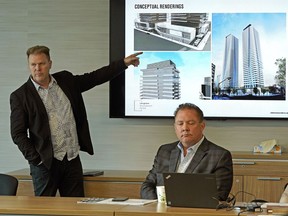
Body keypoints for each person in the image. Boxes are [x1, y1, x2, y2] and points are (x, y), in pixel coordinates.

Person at [10, 45, 142, 197]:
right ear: (29, 66)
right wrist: (36, 159)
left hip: (71, 160)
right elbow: (17, 134)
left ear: (50, 64)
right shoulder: (20, 96)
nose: (37, 68)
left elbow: (94, 78)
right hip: (45, 164)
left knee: (76, 208)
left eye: (42, 63)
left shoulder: (65, 80)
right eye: (33, 64)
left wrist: (123, 63)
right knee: (44, 210)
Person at [140, 103, 233, 201]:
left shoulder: (219, 156)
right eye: (180, 123)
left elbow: (218, 196)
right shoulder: (164, 151)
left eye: (191, 123)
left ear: (202, 126)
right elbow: (147, 186)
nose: (185, 128)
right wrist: (159, 205)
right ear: (175, 127)